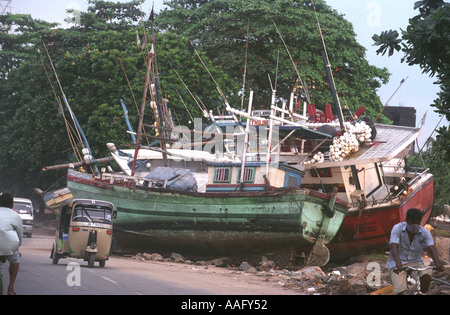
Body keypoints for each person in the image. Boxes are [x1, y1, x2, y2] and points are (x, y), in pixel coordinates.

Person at [386, 208, 444, 294]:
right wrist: (398, 263)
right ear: (407, 220)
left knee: (426, 275)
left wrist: (437, 263)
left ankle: (423, 293)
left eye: (417, 222)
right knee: (400, 291)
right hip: (397, 263)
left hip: (415, 262)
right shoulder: (397, 228)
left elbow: (431, 248)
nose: (415, 225)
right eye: (412, 222)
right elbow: (394, 246)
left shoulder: (424, 232)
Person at [0, 192, 23, 295]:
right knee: (15, 259)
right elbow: (19, 235)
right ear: (12, 204)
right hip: (9, 246)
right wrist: (18, 249)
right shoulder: (15, 215)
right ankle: (10, 288)